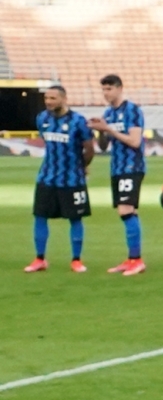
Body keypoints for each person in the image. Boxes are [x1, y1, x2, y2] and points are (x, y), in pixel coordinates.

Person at [25, 85, 93, 274]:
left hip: (72, 179)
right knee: (40, 216)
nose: (48, 101)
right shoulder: (42, 118)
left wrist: (82, 167)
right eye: (46, 98)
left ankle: (76, 260)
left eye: (53, 98)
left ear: (63, 99)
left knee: (75, 218)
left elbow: (89, 148)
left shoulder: (78, 121)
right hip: (47, 177)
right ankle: (40, 259)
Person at [89, 73, 148, 275]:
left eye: (109, 89)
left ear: (120, 88)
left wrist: (109, 129)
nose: (106, 93)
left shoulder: (132, 110)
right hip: (117, 167)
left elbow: (135, 141)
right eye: (103, 89)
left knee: (125, 210)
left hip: (132, 166)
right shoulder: (108, 113)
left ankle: (136, 260)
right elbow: (104, 147)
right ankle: (133, 258)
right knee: (128, 211)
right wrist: (100, 131)